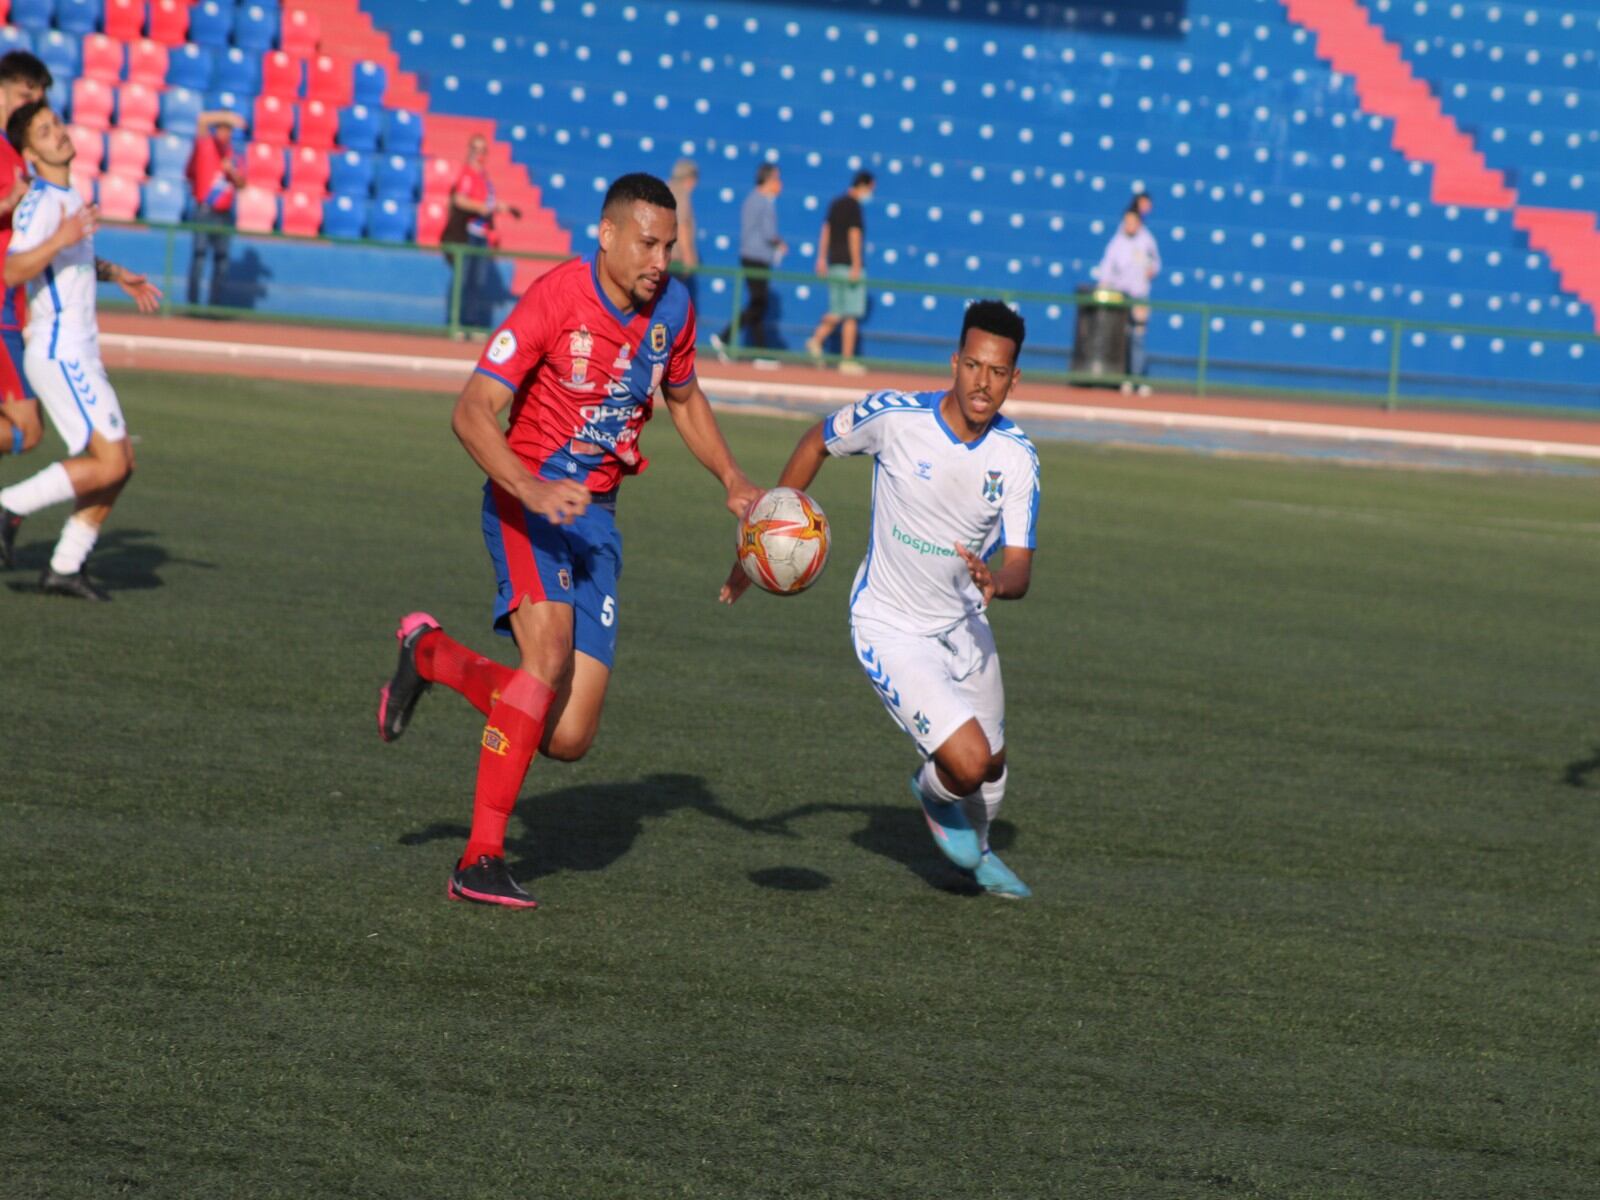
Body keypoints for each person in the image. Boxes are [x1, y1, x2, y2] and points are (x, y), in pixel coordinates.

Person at [377, 172, 761, 909]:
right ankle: (478, 859)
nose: (660, 260)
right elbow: (471, 412)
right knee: (544, 655)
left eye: (669, 245)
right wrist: (531, 488)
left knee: (569, 736)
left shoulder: (673, 308)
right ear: (608, 236)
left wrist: (733, 480)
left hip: (598, 518)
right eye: (647, 243)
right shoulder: (556, 297)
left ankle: (428, 653)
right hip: (528, 500)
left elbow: (683, 397)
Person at [722, 300, 1041, 898]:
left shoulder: (1017, 458)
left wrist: (998, 582)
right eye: (973, 365)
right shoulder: (897, 418)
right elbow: (816, 439)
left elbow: (1021, 564)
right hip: (890, 626)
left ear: (1013, 379)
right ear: (955, 362)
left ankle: (978, 851)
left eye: (998, 372)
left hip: (965, 623)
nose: (983, 382)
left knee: (993, 770)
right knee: (966, 765)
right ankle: (932, 792)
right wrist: (761, 537)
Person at [0, 102, 162, 596]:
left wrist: (117, 275)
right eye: (45, 132)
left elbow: (68, 262)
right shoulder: (42, 202)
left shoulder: (66, 197)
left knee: (120, 464)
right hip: (59, 349)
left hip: (77, 350)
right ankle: (9, 505)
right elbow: (11, 271)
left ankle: (66, 565)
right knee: (110, 462)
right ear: (29, 151)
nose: (59, 135)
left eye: (58, 124)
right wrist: (63, 237)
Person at [0, 51, 53, 474]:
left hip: (10, 305)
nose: (34, 101)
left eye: (40, 94)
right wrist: (9, 202)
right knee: (26, 429)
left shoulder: (16, 154)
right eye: (25, 92)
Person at [441, 134, 519, 330]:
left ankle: (471, 323)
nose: (479, 154)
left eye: (483, 150)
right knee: (464, 279)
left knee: (477, 283)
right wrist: (481, 207)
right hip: (469, 234)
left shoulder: (484, 178)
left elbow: (488, 203)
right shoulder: (467, 175)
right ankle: (456, 323)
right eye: (475, 149)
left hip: (482, 235)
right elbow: (460, 199)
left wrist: (503, 208)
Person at [805, 170, 874, 374]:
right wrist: (856, 263)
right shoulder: (854, 206)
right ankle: (847, 359)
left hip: (834, 263)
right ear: (863, 186)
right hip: (848, 265)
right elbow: (854, 234)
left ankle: (816, 340)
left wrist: (821, 258)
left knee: (837, 310)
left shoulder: (836, 203)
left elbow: (825, 230)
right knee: (851, 315)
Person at [713, 162, 785, 355]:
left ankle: (759, 351)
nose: (780, 184)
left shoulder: (751, 199)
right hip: (757, 257)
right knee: (758, 303)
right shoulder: (763, 201)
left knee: (758, 304)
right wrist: (780, 244)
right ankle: (725, 337)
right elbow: (769, 234)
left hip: (749, 255)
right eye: (777, 179)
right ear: (768, 180)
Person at [1092, 203, 1161, 395]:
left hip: (1140, 296)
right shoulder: (1117, 242)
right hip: (1120, 297)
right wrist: (1104, 284)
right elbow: (1106, 268)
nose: (1130, 225)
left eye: (1133, 221)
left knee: (1138, 338)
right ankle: (1123, 378)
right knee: (1121, 338)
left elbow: (1156, 262)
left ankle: (1138, 378)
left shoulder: (1146, 240)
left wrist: (1151, 270)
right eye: (1127, 221)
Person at [185, 109, 245, 307]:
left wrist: (232, 172)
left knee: (222, 260)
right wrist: (227, 117)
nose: (224, 133)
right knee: (199, 256)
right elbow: (202, 120)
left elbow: (242, 184)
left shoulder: (234, 154)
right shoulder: (206, 146)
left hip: (224, 214)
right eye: (221, 128)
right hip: (205, 210)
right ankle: (193, 304)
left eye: (228, 130)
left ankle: (214, 306)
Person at [666, 156, 698, 306]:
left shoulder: (664, 188)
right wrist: (688, 255)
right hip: (674, 258)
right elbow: (682, 225)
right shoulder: (681, 193)